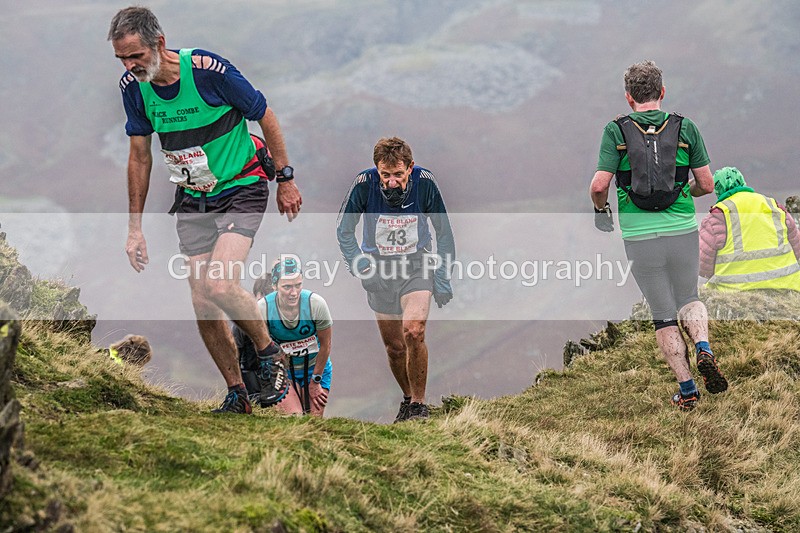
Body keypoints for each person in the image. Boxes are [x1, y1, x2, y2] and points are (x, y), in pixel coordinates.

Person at [108, 7, 302, 413]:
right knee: (202, 301)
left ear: (159, 43)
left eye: (136, 56)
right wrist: (134, 228)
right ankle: (237, 394)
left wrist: (285, 178)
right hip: (193, 198)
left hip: (241, 187)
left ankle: (270, 354)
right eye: (122, 59)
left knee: (219, 284)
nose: (129, 66)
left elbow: (264, 115)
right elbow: (139, 157)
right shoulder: (133, 87)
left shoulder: (209, 71)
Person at [589, 60, 728, 411]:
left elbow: (599, 186)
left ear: (628, 97)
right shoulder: (685, 127)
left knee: (663, 313)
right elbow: (707, 184)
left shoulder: (616, 131)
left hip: (640, 238)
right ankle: (704, 348)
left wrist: (601, 211)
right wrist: (685, 193)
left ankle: (688, 390)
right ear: (662, 91)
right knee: (689, 296)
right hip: (682, 231)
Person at [336, 137, 455, 422]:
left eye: (398, 174)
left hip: (416, 265)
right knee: (395, 347)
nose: (391, 182)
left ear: (410, 168)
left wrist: (442, 276)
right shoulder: (363, 184)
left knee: (413, 330)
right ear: (376, 169)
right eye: (385, 174)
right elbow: (344, 230)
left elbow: (444, 232)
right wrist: (362, 268)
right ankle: (408, 398)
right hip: (379, 270)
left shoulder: (424, 182)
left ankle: (419, 405)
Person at [235, 258, 334, 416]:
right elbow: (259, 348)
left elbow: (326, 345)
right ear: (274, 286)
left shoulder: (316, 304)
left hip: (315, 369)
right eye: (287, 287)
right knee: (294, 417)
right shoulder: (263, 309)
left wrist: (316, 380)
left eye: (298, 285)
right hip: (282, 372)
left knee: (313, 420)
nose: (293, 293)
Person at [699, 167, 800, 291]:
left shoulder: (717, 216)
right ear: (743, 182)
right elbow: (796, 247)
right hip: (786, 285)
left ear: (717, 190)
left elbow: (703, 266)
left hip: (735, 290)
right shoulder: (773, 205)